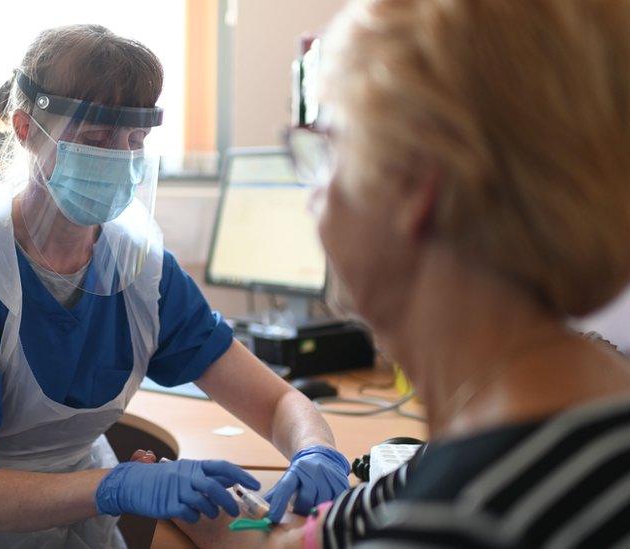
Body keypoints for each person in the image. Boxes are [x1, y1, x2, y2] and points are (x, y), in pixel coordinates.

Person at [0, 25, 350, 547]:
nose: (119, 157)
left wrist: (314, 449)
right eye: (95, 139)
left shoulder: (142, 271)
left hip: (65, 512)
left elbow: (275, 402)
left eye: (134, 140)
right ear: (26, 129)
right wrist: (117, 484)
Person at [172, 0, 630, 547]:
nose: (312, 192)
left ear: (415, 186)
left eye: (331, 148)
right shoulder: (565, 405)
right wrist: (236, 530)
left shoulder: (459, 518)